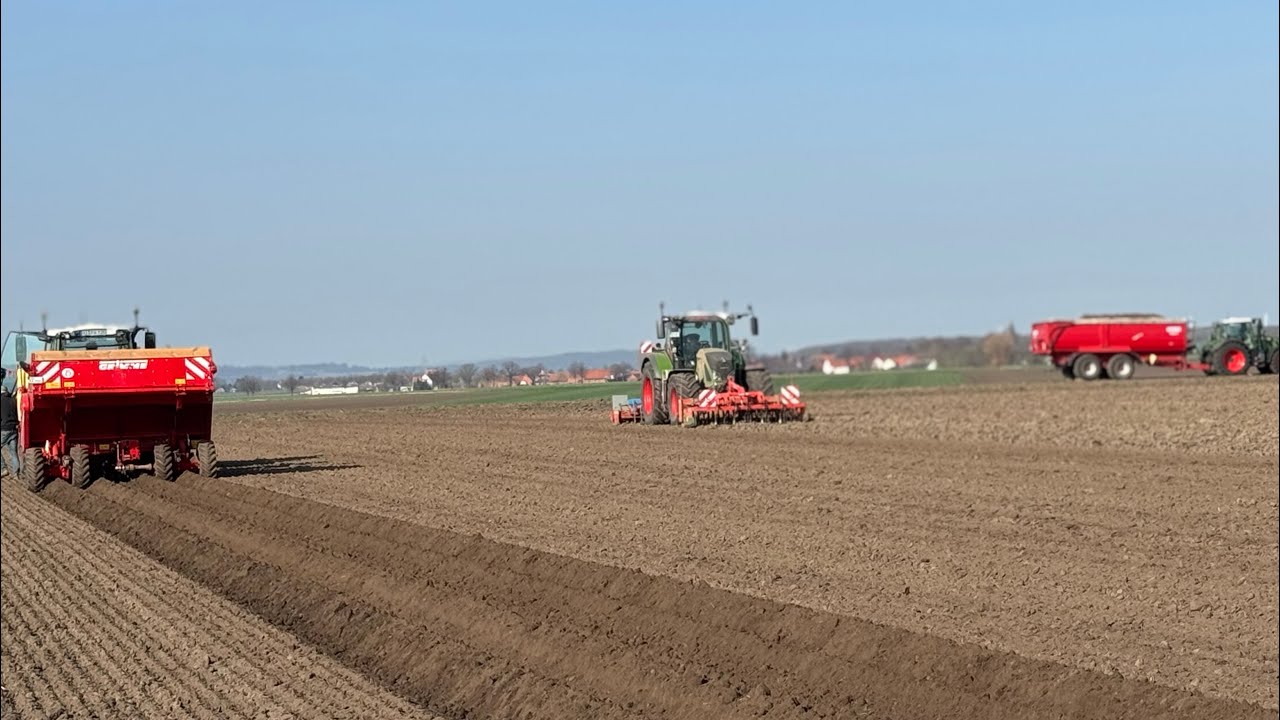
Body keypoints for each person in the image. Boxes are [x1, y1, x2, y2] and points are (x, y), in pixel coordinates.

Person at [1, 383, 18, 477]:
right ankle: (16, 474)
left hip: (4, 429)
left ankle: (3, 469)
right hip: (14, 429)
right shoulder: (13, 400)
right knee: (13, 453)